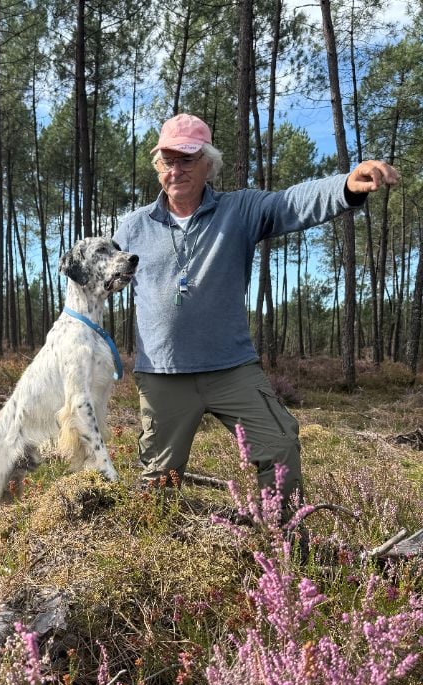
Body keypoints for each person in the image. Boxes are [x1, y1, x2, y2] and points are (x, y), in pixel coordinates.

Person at [113, 113, 400, 508]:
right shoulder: (132, 228)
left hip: (231, 369)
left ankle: (281, 538)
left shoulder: (240, 210)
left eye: (187, 159)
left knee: (279, 444)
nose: (176, 170)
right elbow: (99, 282)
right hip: (163, 373)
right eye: (168, 161)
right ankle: (154, 551)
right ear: (158, 166)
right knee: (158, 479)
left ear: (208, 163)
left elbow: (290, 203)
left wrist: (346, 187)